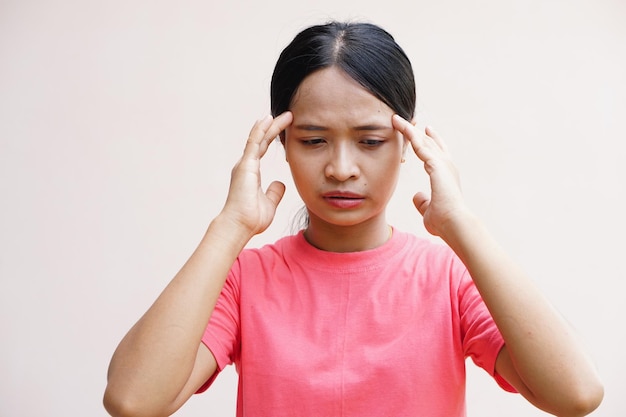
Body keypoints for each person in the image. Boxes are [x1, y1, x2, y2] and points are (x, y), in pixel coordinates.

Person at [103, 21, 603, 417]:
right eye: (313, 140)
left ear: (407, 146)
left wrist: (461, 224)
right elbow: (133, 402)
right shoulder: (244, 280)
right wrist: (230, 227)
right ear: (280, 143)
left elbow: (576, 395)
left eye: (369, 141)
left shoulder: (447, 279)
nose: (341, 169)